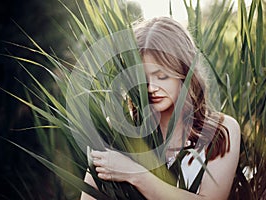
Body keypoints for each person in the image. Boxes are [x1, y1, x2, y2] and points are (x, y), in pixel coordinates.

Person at [81, 17, 240, 200]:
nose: (151, 87)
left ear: (185, 71)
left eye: (161, 76)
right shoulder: (115, 129)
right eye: (142, 77)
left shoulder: (222, 130)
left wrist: (135, 174)